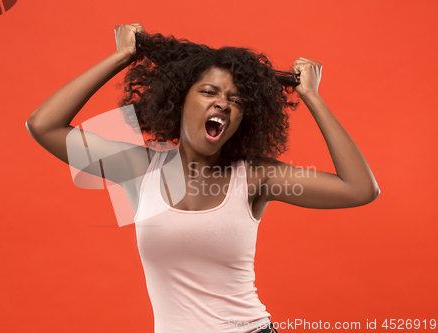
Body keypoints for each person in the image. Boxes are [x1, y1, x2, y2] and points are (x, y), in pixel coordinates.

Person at [26, 23, 380, 333]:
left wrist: (311, 97)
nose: (223, 104)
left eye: (235, 100)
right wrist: (121, 57)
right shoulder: (139, 169)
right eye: (209, 92)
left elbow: (360, 189)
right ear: (180, 101)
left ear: (244, 119)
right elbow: (45, 126)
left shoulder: (255, 176)